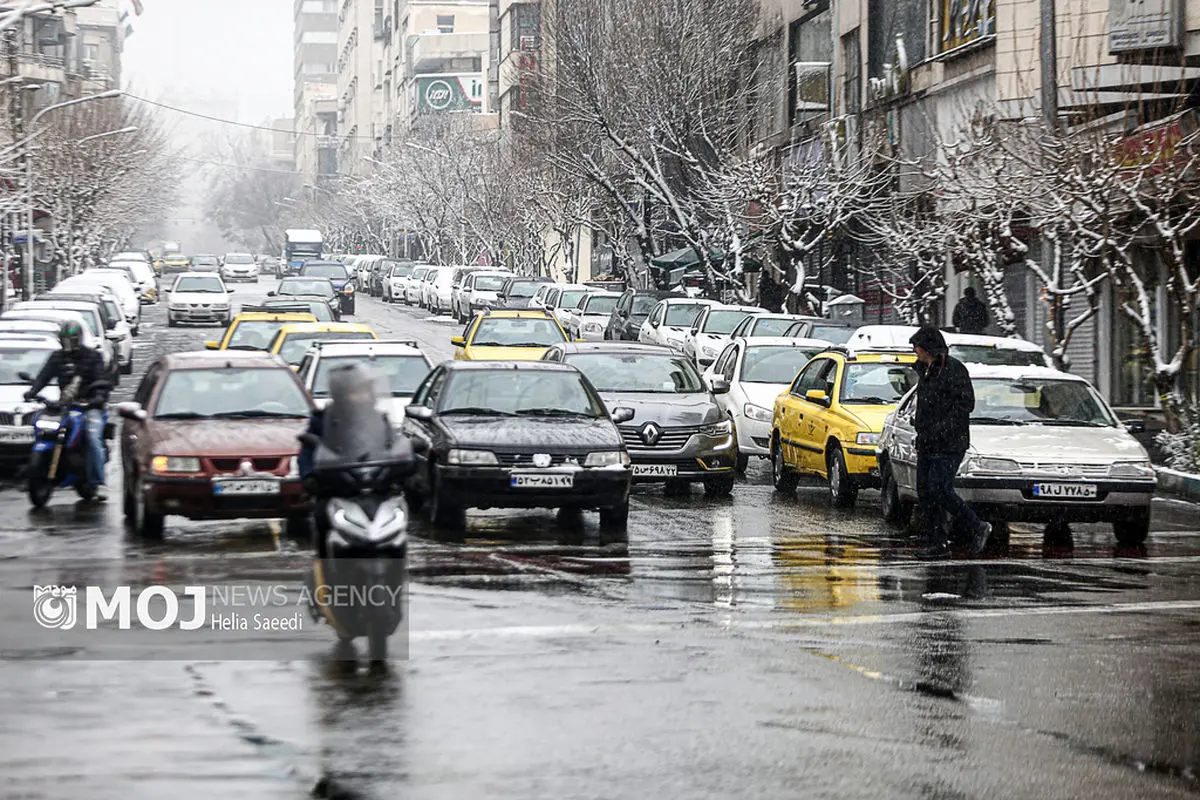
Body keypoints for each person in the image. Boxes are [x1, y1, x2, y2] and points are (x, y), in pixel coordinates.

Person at [909, 326, 991, 559]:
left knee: (940, 488)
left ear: (928, 348)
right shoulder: (925, 370)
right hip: (927, 442)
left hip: (949, 443)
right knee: (925, 492)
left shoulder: (954, 370)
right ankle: (937, 541)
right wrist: (922, 433)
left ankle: (977, 526)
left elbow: (965, 405)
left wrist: (940, 429)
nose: (915, 351)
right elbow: (926, 407)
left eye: (917, 346)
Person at [24, 320, 110, 500]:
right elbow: (43, 377)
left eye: (71, 339)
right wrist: (32, 392)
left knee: (93, 438)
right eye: (64, 339)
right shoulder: (57, 357)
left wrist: (97, 398)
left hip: (89, 406)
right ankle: (42, 470)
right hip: (65, 406)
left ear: (79, 338)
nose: (68, 343)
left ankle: (98, 482)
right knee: (44, 427)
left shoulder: (93, 357)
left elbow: (102, 380)